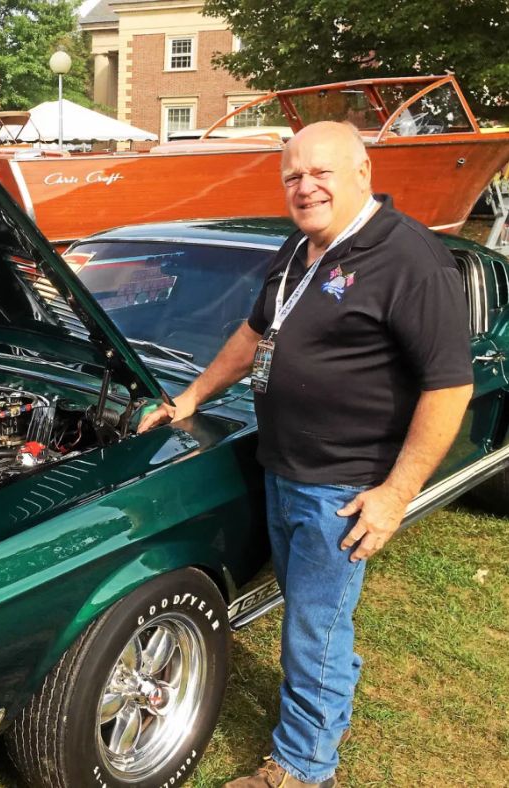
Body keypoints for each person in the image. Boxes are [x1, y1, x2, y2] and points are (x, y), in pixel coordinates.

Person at [138, 121, 473, 787]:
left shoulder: (410, 259)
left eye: (320, 171)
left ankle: (300, 768)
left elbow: (450, 385)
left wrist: (394, 496)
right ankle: (330, 696)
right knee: (313, 615)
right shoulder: (300, 249)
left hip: (343, 487)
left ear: (362, 173)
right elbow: (256, 332)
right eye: (292, 175)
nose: (304, 185)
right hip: (285, 469)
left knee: (312, 631)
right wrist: (193, 396)